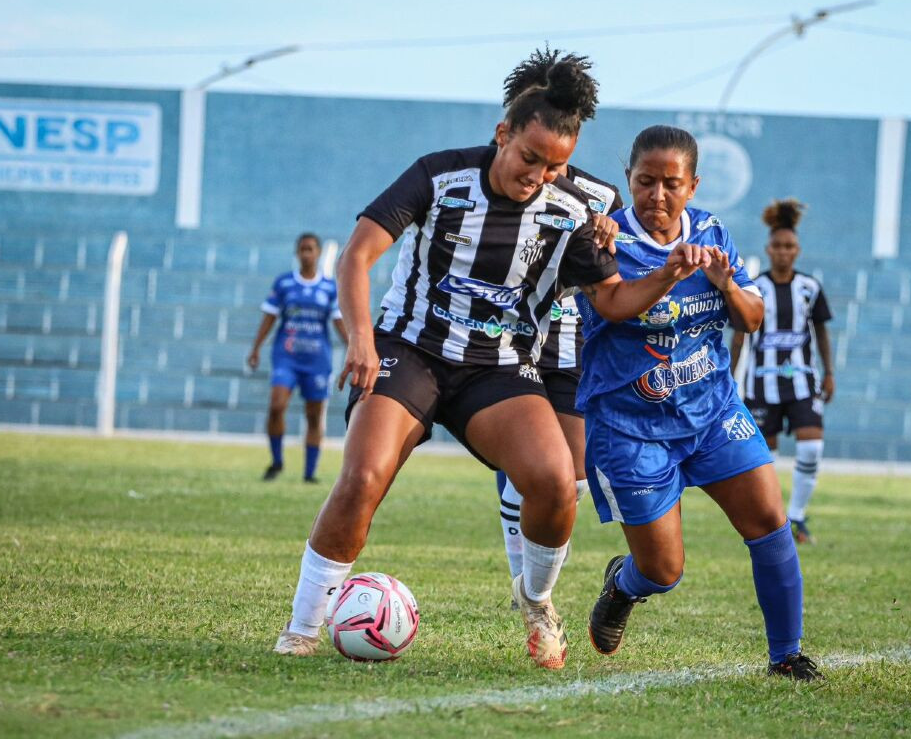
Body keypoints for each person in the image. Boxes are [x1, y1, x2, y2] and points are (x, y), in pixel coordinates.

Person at [273, 54, 708, 670]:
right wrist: (362, 340)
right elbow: (357, 255)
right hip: (410, 351)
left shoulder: (577, 206)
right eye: (530, 158)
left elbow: (611, 300)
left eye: (555, 165)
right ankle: (302, 628)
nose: (540, 175)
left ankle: (536, 602)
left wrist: (666, 272)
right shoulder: (438, 176)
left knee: (559, 481)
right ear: (503, 134)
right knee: (364, 477)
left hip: (497, 368)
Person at [579, 125, 823, 680]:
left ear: (693, 185)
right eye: (645, 182)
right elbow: (615, 306)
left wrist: (726, 283)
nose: (657, 196)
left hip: (712, 413)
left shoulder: (713, 232)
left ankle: (785, 656)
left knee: (768, 519)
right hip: (630, 427)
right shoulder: (602, 240)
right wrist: (671, 272)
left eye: (671, 183)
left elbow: (753, 319)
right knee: (664, 571)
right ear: (629, 180)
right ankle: (624, 584)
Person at [491, 48, 625, 595]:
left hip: (569, 345)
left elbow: (616, 281)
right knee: (526, 471)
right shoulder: (488, 183)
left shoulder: (599, 199)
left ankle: (535, 588)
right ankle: (529, 594)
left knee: (569, 480)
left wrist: (613, 240)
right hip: (504, 344)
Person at [730, 200, 833, 544]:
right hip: (762, 385)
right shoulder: (755, 287)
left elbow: (821, 331)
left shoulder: (810, 288)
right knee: (765, 458)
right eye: (778, 246)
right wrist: (729, 379)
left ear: (797, 249)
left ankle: (799, 517)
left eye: (789, 246)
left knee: (811, 449)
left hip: (803, 381)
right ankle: (775, 521)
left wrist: (829, 373)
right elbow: (740, 335)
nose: (783, 252)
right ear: (768, 249)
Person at [247, 233, 347, 483]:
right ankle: (277, 461)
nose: (306, 254)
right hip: (286, 357)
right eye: (302, 249)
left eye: (310, 249)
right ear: (296, 253)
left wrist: (354, 348)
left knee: (313, 416)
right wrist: (256, 348)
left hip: (316, 361)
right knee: (276, 406)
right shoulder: (284, 284)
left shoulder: (329, 288)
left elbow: (338, 323)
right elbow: (270, 317)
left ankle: (309, 473)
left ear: (318, 253)